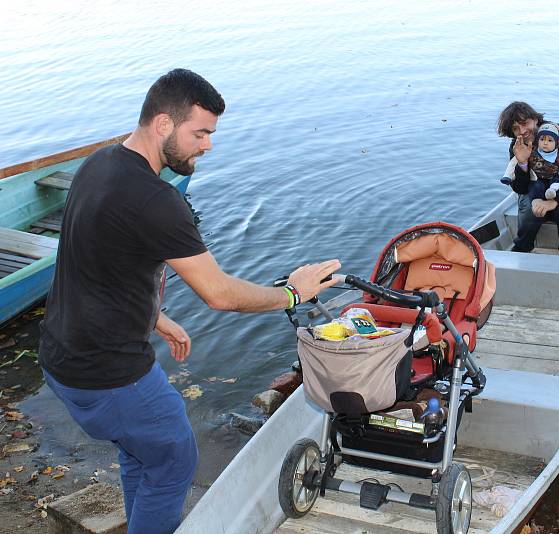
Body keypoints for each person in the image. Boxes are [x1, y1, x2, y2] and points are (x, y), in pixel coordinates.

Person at [37, 69, 340, 534]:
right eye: (200, 133)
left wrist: (155, 316)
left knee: (144, 453)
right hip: (107, 373)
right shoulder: (159, 201)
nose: (208, 146)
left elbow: (91, 259)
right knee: (175, 458)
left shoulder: (99, 165)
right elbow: (220, 294)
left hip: (60, 358)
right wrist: (294, 292)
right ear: (163, 124)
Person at [496, 102, 559, 255]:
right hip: (533, 190)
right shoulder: (517, 144)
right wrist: (522, 163)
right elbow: (520, 189)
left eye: (525, 124)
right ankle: (522, 248)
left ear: (535, 119)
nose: (522, 131)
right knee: (529, 208)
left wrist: (555, 201)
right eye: (516, 128)